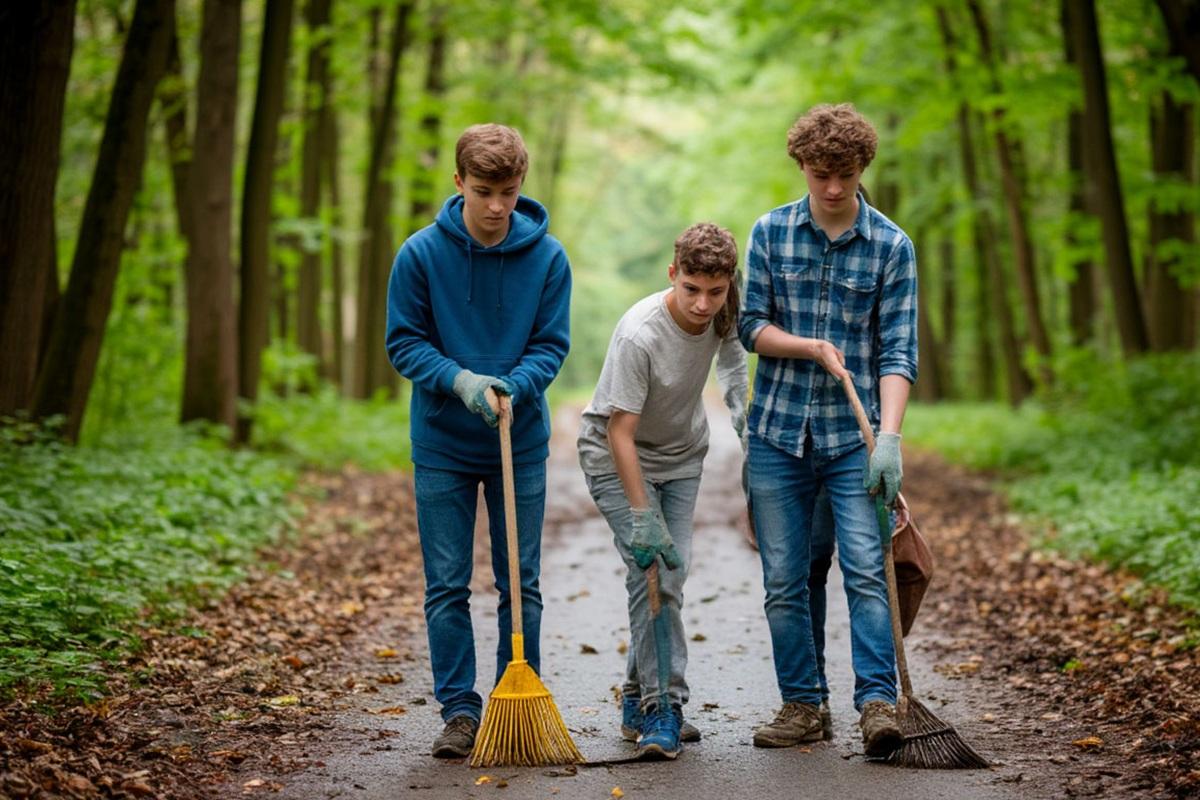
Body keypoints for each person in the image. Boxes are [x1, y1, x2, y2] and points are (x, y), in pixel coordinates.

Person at [385, 123, 571, 758]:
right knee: (446, 583)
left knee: (522, 582)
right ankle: (460, 712)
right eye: (485, 190)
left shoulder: (548, 258)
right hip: (441, 442)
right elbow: (404, 341)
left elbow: (552, 345)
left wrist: (514, 387)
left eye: (510, 192)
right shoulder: (418, 255)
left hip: (519, 441)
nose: (497, 206)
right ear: (459, 181)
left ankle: (512, 701)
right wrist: (460, 380)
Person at [739, 103, 918, 757]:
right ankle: (802, 705)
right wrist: (807, 347)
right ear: (803, 169)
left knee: (867, 572)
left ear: (862, 168)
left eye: (844, 175)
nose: (834, 189)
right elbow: (750, 326)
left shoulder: (892, 246)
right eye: (821, 175)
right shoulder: (769, 233)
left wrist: (891, 439)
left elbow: (898, 353)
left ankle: (876, 703)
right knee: (787, 578)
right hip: (777, 435)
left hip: (854, 440)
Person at [577, 223, 748, 760]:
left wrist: (747, 427)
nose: (702, 304)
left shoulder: (724, 307)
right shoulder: (639, 334)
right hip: (614, 457)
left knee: (671, 575)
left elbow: (734, 363)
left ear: (727, 284)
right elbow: (618, 432)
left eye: (715, 292)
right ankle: (662, 708)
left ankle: (636, 696)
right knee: (653, 571)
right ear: (673, 274)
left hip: (682, 456)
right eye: (691, 289)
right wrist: (640, 514)